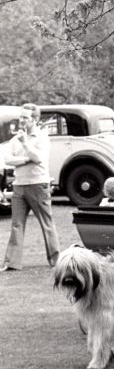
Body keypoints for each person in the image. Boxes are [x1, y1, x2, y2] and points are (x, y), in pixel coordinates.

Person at [1, 103, 60, 272]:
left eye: (25, 118)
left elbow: (39, 158)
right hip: (19, 185)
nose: (21, 120)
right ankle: (12, 263)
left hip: (38, 185)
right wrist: (26, 160)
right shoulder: (14, 139)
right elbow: (8, 160)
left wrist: (25, 144)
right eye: (21, 117)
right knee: (16, 225)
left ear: (34, 119)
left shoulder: (42, 137)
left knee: (46, 224)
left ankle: (56, 261)